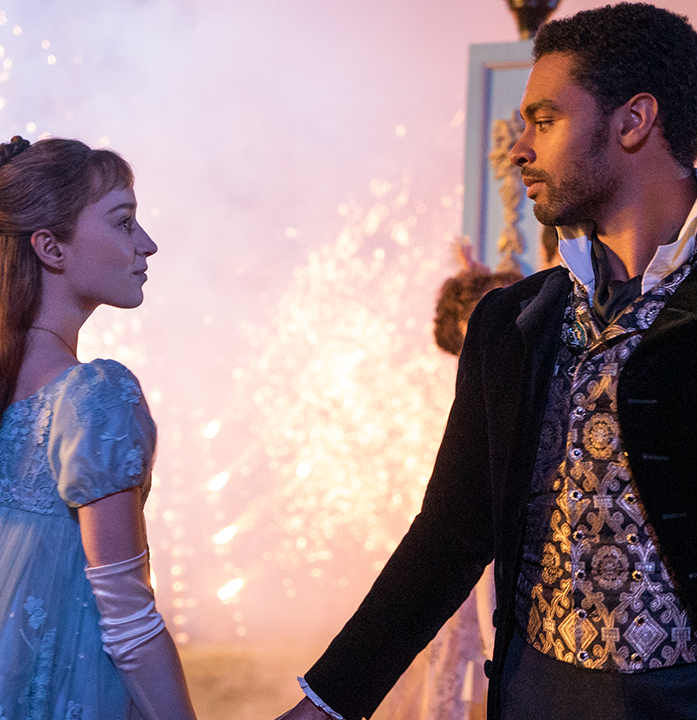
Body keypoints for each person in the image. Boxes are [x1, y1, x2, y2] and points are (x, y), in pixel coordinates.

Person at [275, 4, 697, 719]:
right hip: (533, 696)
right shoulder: (512, 322)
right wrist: (329, 703)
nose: (519, 149)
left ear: (633, 121)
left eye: (545, 120)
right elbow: (451, 532)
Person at [0, 136, 197, 720]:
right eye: (124, 222)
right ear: (51, 247)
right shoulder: (95, 396)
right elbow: (128, 621)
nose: (147, 243)